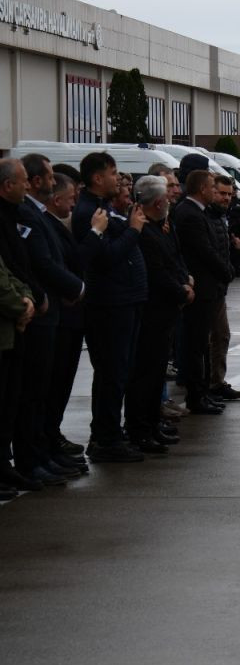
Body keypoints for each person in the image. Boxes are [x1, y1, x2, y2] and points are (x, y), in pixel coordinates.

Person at [73, 151, 148, 464]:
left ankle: (108, 433)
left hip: (125, 299)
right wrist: (133, 230)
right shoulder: (88, 212)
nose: (119, 178)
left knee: (119, 371)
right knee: (111, 372)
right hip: (109, 303)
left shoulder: (104, 208)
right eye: (114, 172)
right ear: (97, 178)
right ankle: (106, 438)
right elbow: (106, 257)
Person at [16, 154, 89, 476]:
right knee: (34, 394)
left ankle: (42, 453)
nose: (52, 177)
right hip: (43, 313)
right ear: (35, 182)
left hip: (54, 310)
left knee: (45, 391)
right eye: (47, 175)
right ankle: (33, 459)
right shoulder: (27, 214)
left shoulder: (38, 214)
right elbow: (40, 264)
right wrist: (77, 289)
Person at [124, 176, 192, 452]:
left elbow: (174, 259)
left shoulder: (160, 227)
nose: (171, 199)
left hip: (165, 311)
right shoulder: (145, 232)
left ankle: (151, 423)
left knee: (155, 374)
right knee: (145, 374)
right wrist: (182, 291)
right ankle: (139, 428)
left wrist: (186, 279)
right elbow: (157, 272)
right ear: (158, 202)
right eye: (167, 195)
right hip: (152, 311)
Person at [172, 169, 233, 416]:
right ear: (201, 189)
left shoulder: (200, 212)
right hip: (203, 286)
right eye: (211, 186)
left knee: (203, 344)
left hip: (210, 286)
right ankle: (196, 396)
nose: (215, 191)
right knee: (196, 344)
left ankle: (204, 392)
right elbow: (204, 251)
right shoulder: (190, 214)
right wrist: (226, 270)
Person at [40, 173, 89, 462]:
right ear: (56, 199)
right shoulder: (44, 223)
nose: (74, 203)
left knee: (61, 382)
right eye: (71, 198)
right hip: (60, 312)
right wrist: (77, 288)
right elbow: (53, 264)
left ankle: (51, 435)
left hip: (69, 313)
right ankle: (44, 443)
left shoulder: (56, 224)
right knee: (51, 384)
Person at [0, 252, 37, 496]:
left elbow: (10, 275)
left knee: (7, 406)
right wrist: (20, 307)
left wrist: (27, 299)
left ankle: (3, 466)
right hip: (6, 328)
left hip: (8, 336)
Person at [207, 175, 240, 401]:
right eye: (222, 193)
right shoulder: (204, 216)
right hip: (209, 286)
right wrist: (228, 270)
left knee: (221, 335)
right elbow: (207, 251)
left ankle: (215, 381)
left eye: (230, 194)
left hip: (219, 286)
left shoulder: (221, 217)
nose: (226, 198)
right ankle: (211, 383)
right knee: (215, 336)